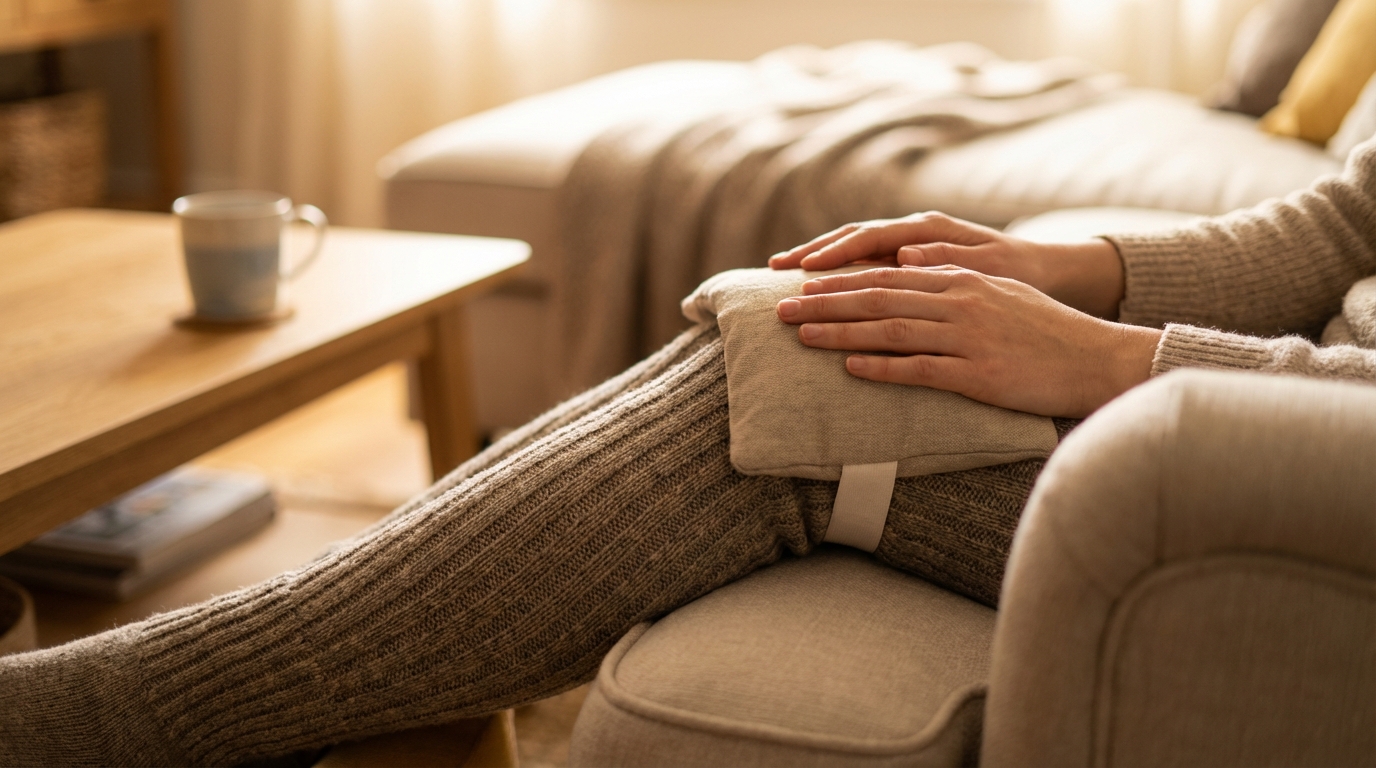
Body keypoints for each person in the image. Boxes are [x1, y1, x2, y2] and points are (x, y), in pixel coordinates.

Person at [2, 139, 1373, 767]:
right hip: (1273, 396)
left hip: (1299, 478)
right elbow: (1339, 234)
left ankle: (98, 722)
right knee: (787, 324)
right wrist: (1067, 270)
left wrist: (1112, 359)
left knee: (794, 393)